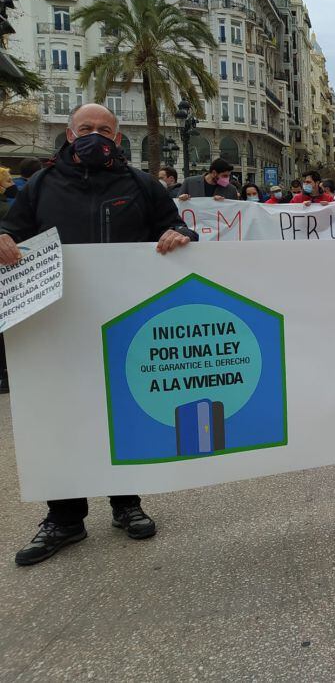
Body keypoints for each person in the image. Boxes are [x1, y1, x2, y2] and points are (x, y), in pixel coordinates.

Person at [0, 103, 196, 566]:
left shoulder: (141, 185)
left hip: (125, 321)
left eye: (104, 130)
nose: (94, 136)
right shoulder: (42, 186)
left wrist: (179, 235)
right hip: (58, 323)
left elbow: (176, 226)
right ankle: (64, 518)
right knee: (60, 415)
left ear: (118, 136)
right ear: (69, 135)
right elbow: (13, 231)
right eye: (85, 128)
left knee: (120, 411)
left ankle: (126, 504)